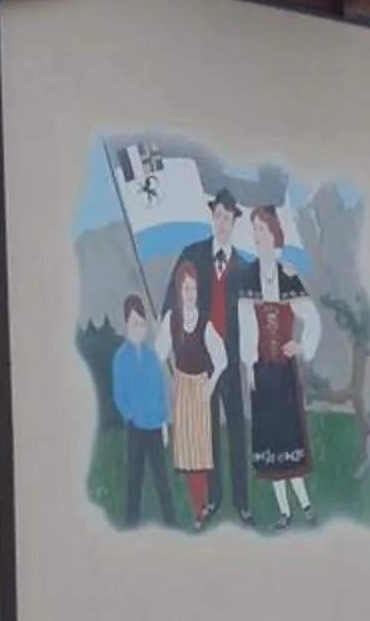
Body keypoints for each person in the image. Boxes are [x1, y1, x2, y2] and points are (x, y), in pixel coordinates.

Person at [169, 190, 259, 524]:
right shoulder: (192, 256)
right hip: (201, 364)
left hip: (232, 364)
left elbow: (251, 319)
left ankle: (242, 501)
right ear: (212, 216)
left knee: (237, 427)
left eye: (229, 217)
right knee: (206, 433)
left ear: (235, 222)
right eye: (219, 215)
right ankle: (213, 499)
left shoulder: (244, 267)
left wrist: (250, 359)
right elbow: (175, 301)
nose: (223, 222)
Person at [240, 205, 324, 529]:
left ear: (274, 233)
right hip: (262, 372)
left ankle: (305, 505)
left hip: (285, 373)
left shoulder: (288, 276)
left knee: (290, 442)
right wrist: (249, 365)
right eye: (255, 230)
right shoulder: (248, 277)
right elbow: (247, 324)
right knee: (271, 445)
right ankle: (284, 511)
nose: (258, 235)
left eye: (262, 229)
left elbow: (312, 318)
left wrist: (303, 347)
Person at [164, 266, 227, 527]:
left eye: (194, 289)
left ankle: (202, 508)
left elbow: (222, 359)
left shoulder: (205, 323)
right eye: (186, 289)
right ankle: (197, 507)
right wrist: (169, 378)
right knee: (187, 453)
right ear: (179, 291)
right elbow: (159, 353)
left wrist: (211, 385)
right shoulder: (171, 320)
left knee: (200, 451)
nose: (190, 294)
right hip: (181, 387)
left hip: (200, 388)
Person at [110, 295, 176, 527]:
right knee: (134, 478)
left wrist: (163, 423)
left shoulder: (151, 356)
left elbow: (160, 390)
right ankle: (131, 522)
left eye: (141, 323)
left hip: (155, 427)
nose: (138, 329)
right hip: (136, 428)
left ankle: (171, 522)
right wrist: (130, 416)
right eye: (133, 324)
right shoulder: (121, 358)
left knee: (162, 479)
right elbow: (119, 394)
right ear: (126, 325)